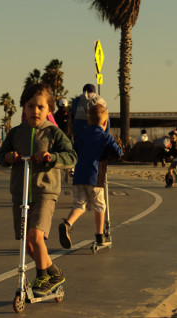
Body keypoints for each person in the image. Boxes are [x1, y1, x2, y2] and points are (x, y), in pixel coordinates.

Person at [0, 83, 77, 297]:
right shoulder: (15, 133)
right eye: (31, 106)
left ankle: (42, 277)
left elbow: (71, 156)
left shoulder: (54, 133)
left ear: (49, 109)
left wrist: (52, 158)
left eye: (41, 107)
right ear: (23, 108)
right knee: (28, 243)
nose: (35, 111)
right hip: (20, 194)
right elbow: (1, 157)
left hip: (45, 193)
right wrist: (8, 158)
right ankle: (55, 273)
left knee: (35, 236)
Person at [59, 104, 122, 250]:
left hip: (79, 177)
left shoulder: (81, 138)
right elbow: (118, 153)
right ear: (105, 123)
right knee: (100, 207)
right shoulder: (106, 137)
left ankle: (67, 224)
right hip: (96, 178)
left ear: (88, 121)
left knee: (79, 205)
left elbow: (73, 154)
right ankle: (100, 236)